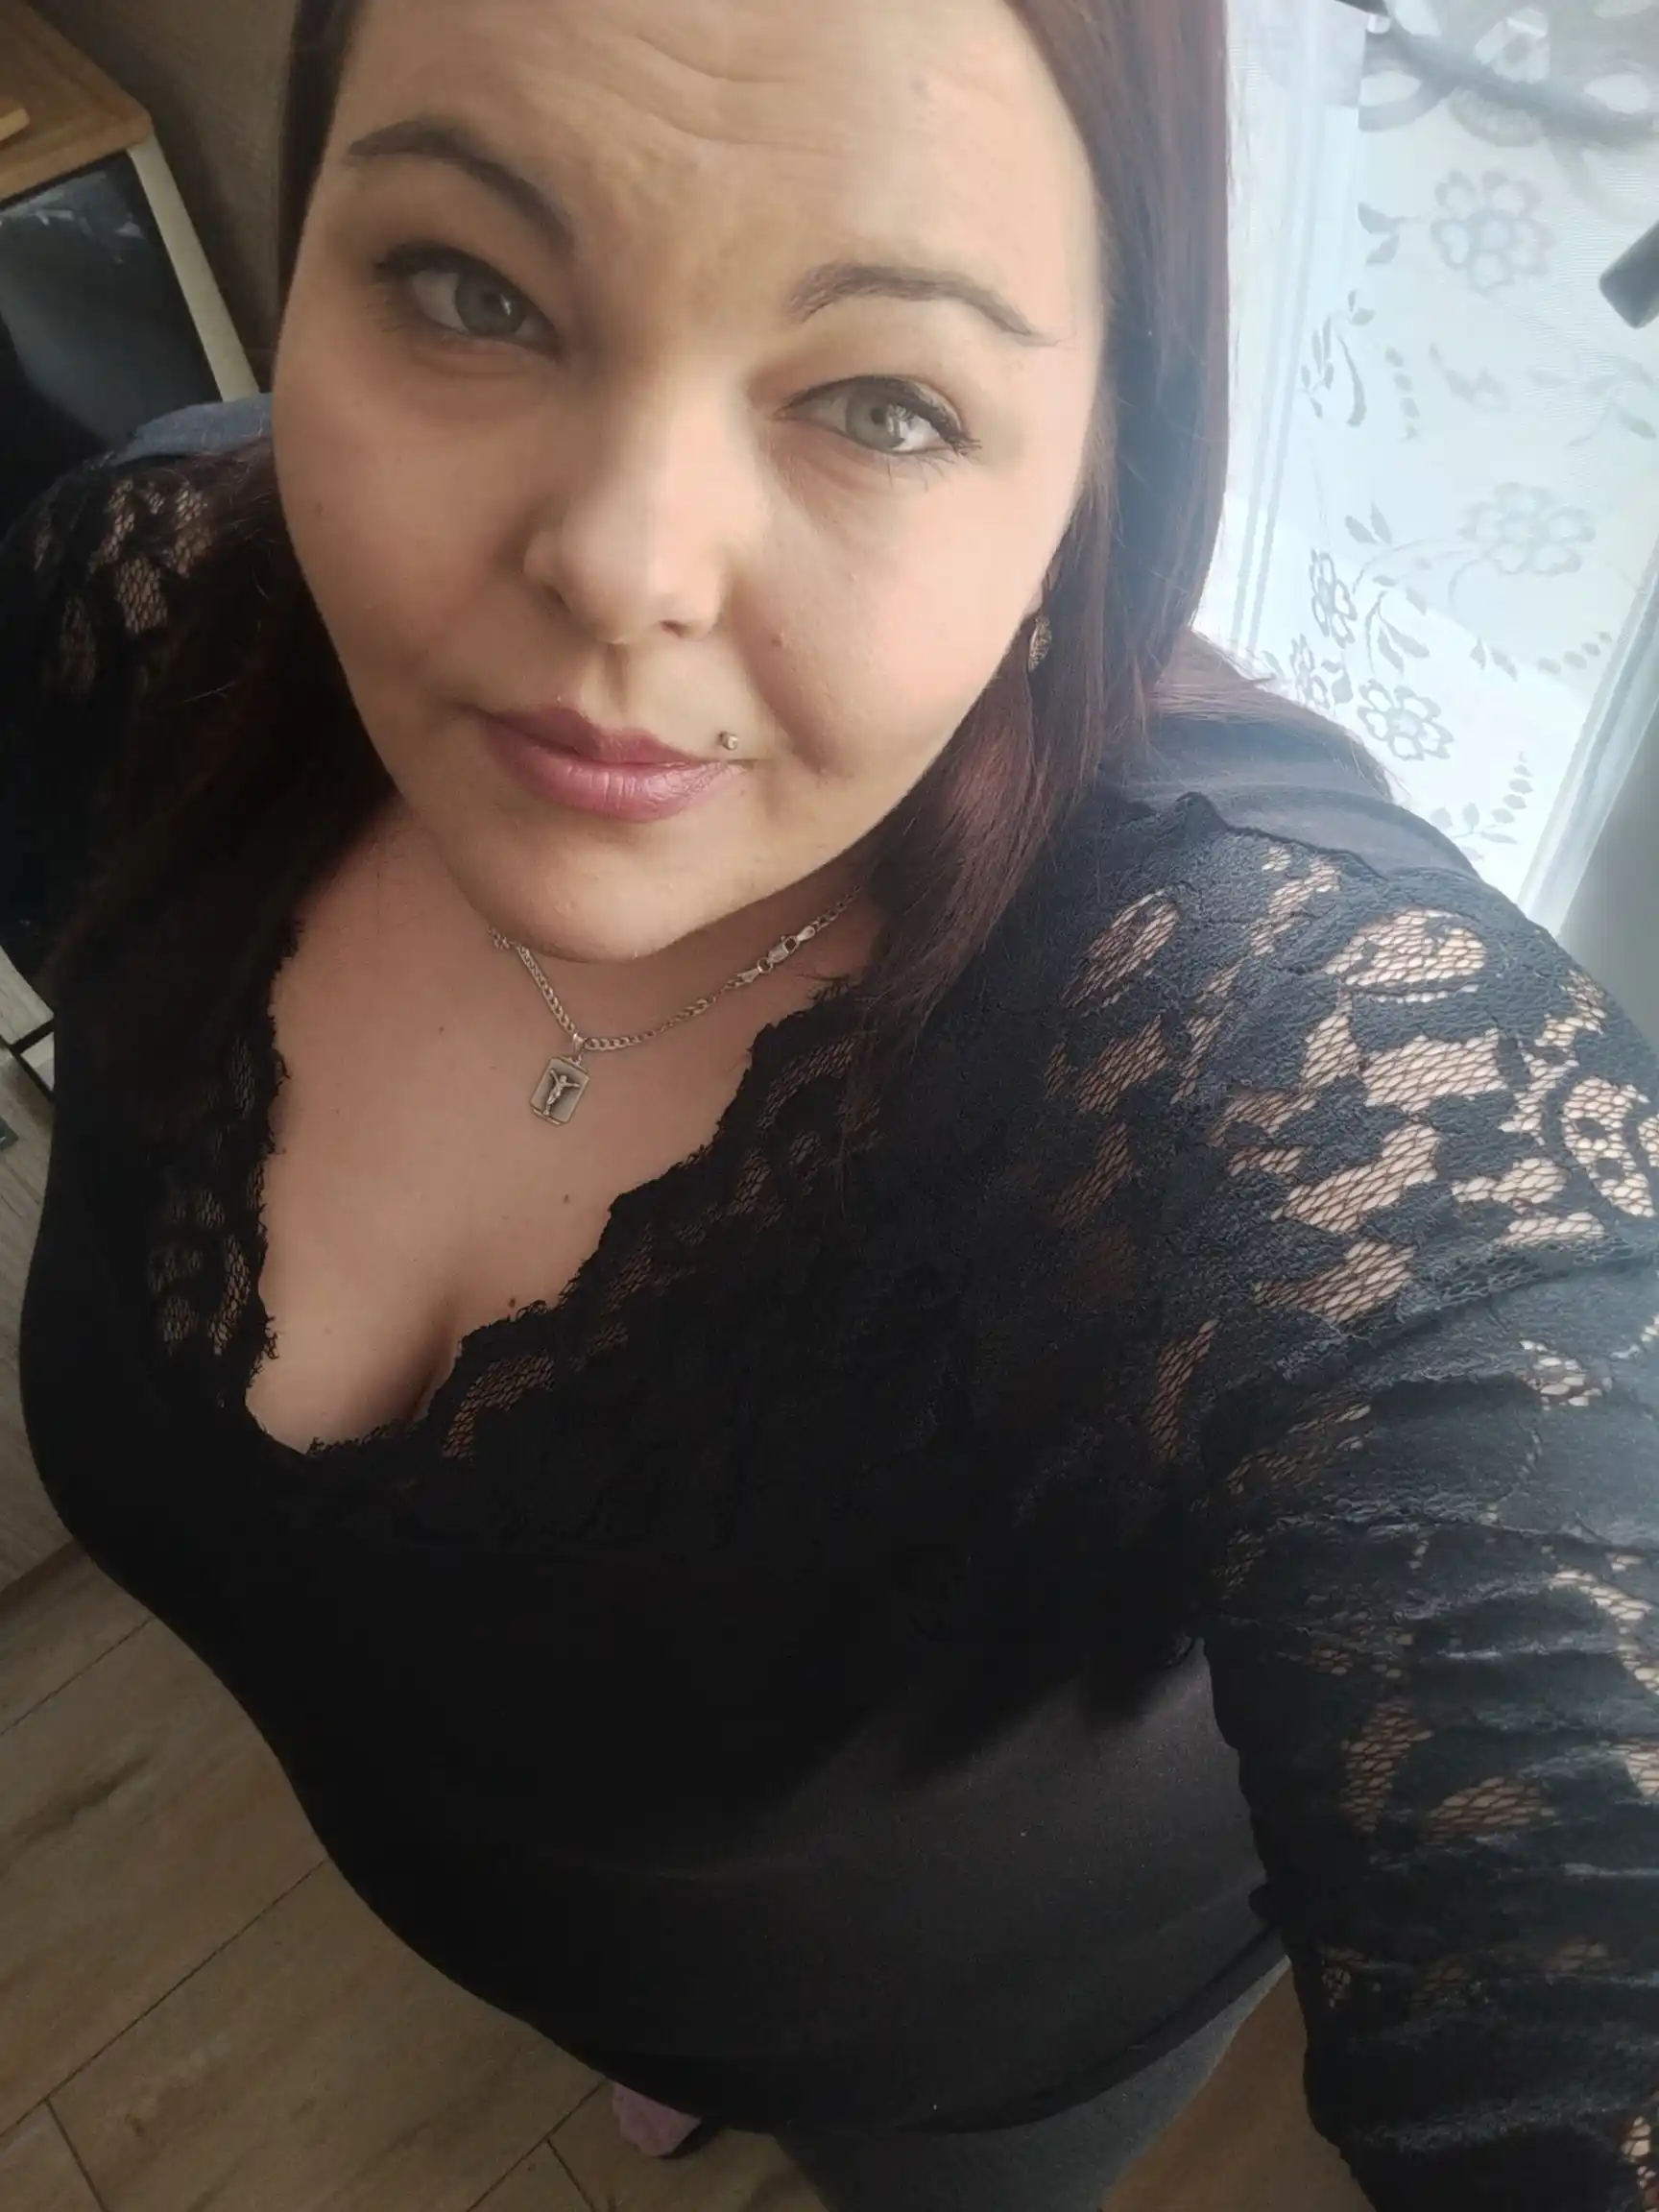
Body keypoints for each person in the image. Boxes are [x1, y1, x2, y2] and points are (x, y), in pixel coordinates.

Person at [3, 1, 1658, 2206]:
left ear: (1100, 476)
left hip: (970, 2070)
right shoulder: (141, 616)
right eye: (468, 287)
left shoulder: (1298, 1065)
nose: (626, 563)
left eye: (886, 402)